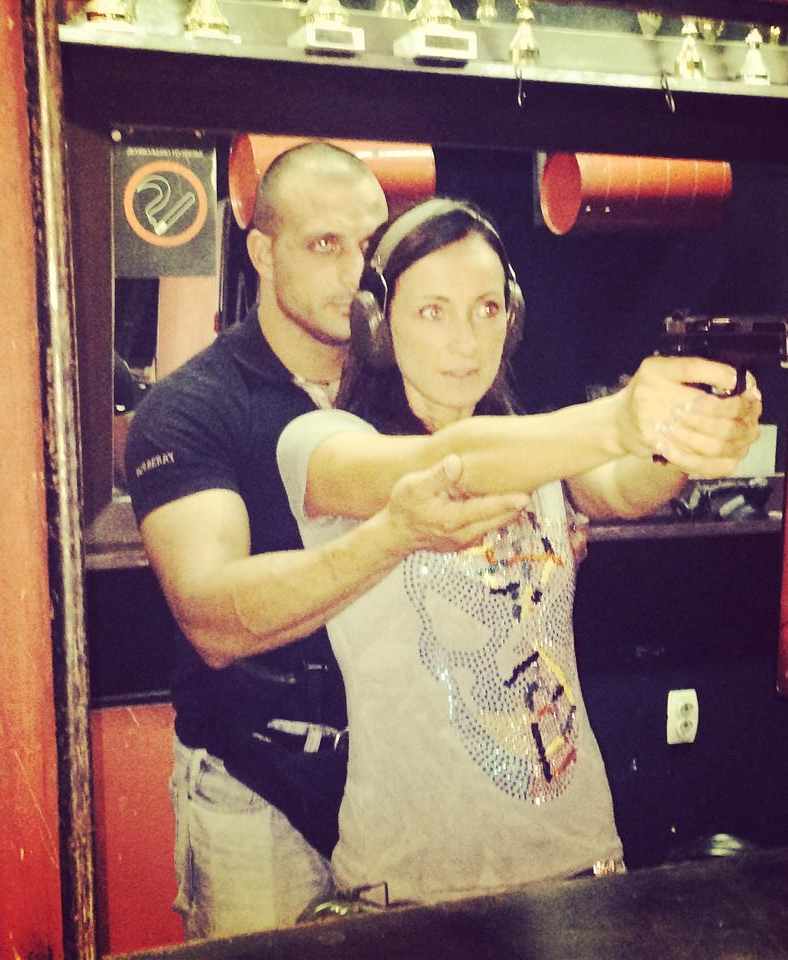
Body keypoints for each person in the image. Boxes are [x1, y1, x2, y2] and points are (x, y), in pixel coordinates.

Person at [276, 198, 763, 906]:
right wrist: (619, 418)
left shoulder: (534, 448)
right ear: (377, 325)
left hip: (577, 856)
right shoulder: (321, 445)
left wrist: (688, 433)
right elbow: (452, 461)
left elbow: (624, 489)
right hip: (412, 882)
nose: (466, 341)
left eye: (486, 309)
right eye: (432, 311)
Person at [124, 148, 527, 938]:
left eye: (368, 245)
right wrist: (395, 534)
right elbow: (211, 619)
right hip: (258, 787)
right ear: (263, 251)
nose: (353, 272)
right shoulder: (193, 407)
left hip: (401, 774)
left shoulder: (417, 386)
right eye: (323, 244)